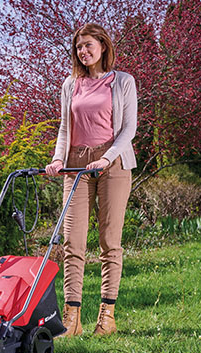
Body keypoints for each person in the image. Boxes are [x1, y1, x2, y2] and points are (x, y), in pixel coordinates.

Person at [45, 23, 137, 337]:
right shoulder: (70, 84)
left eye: (88, 45)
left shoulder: (123, 81)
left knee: (110, 243)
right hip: (76, 166)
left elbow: (129, 130)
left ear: (103, 45)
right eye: (79, 47)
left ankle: (107, 318)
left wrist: (107, 157)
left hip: (114, 163)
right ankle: (72, 320)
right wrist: (59, 158)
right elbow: (63, 129)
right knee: (73, 243)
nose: (83, 52)